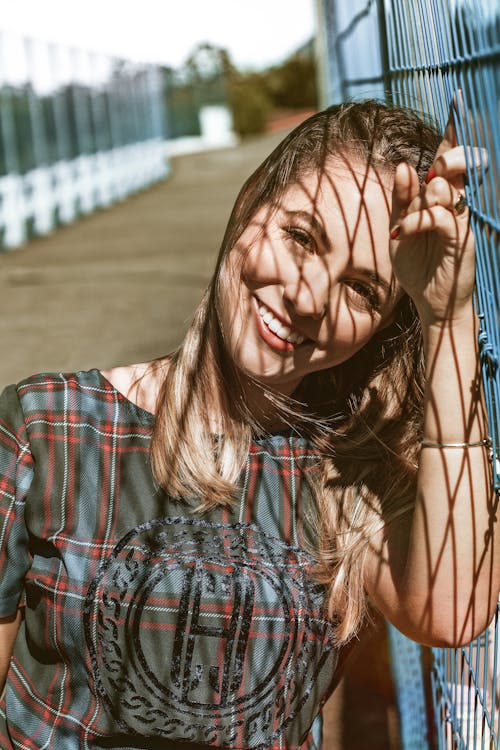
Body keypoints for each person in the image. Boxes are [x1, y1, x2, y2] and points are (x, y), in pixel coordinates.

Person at [0, 98, 497, 750]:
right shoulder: (48, 429)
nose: (308, 295)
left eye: (362, 289)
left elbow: (455, 613)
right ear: (248, 208)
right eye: (301, 237)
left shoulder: (347, 475)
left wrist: (450, 319)